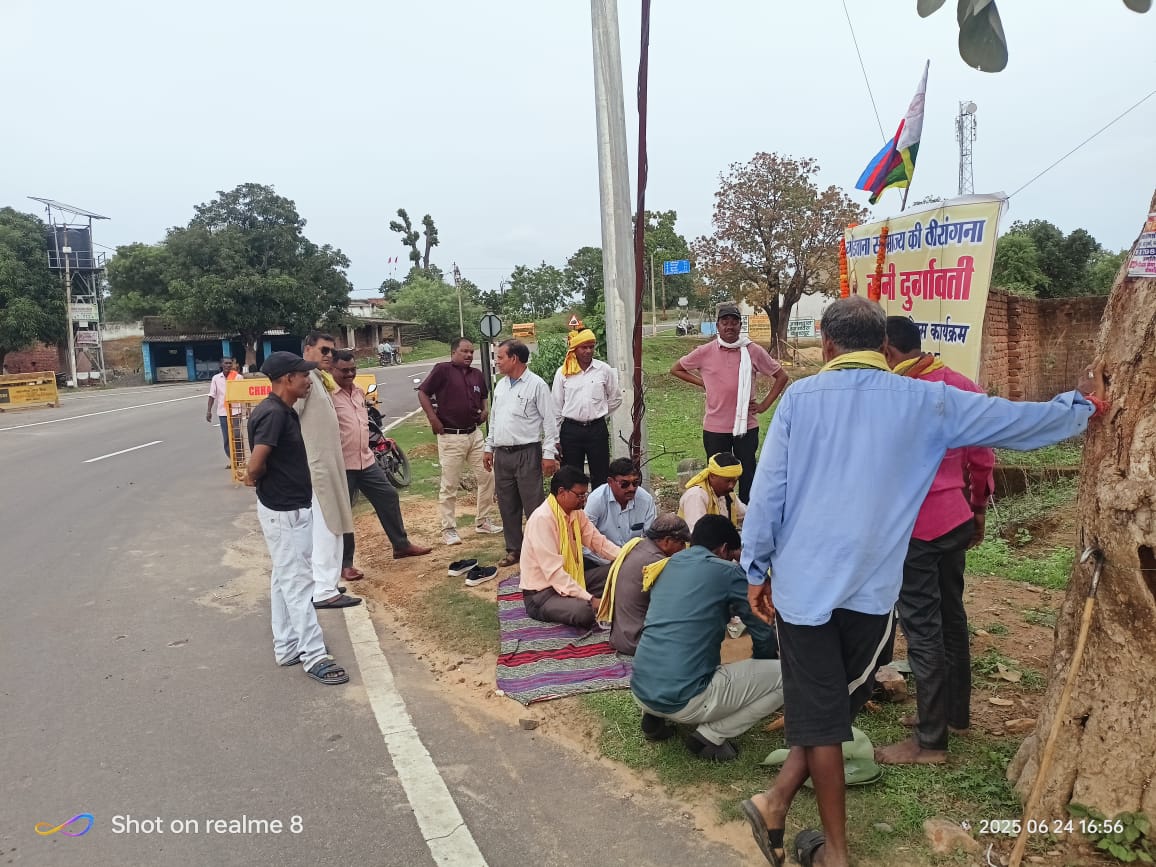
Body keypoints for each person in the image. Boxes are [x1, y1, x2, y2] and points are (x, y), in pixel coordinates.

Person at [739, 296, 1105, 867]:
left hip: (804, 590)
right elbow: (1012, 420)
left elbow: (767, 495)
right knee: (830, 712)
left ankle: (825, 844)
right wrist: (1080, 406)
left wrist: (755, 569)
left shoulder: (799, 401)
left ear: (828, 346)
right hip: (871, 592)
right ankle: (783, 808)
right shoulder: (928, 401)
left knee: (824, 718)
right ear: (883, 346)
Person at [872, 317, 996, 765]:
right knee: (951, 616)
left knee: (922, 627)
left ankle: (929, 741)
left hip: (917, 528)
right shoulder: (961, 386)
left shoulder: (894, 395)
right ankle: (952, 715)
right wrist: (978, 508)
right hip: (956, 517)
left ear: (886, 348)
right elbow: (983, 458)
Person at [631, 515, 785, 762]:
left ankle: (653, 718)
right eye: (734, 554)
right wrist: (764, 665)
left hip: (640, 687)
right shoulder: (727, 571)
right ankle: (711, 736)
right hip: (686, 700)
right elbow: (762, 630)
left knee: (676, 649)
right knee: (789, 677)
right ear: (724, 549)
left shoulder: (669, 564)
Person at [245, 351, 349, 686]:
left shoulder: (285, 411)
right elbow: (255, 465)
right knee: (298, 584)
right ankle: (313, 654)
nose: (308, 380)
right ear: (287, 379)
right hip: (283, 512)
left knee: (284, 578)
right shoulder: (273, 414)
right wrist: (256, 478)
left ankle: (287, 645)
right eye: (303, 375)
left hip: (293, 508)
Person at [671, 303, 789, 504]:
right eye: (725, 322)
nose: (729, 326)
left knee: (747, 470)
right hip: (715, 426)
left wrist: (764, 405)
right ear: (717, 326)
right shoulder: (705, 351)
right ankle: (721, 511)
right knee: (718, 472)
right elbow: (676, 369)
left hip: (746, 425)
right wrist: (704, 383)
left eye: (734, 322)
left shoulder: (752, 351)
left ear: (740, 325)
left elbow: (781, 376)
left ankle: (746, 512)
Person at [330, 351, 431, 577]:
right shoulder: (329, 397)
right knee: (344, 513)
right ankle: (345, 564)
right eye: (344, 370)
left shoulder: (357, 393)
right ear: (332, 370)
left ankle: (401, 545)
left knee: (388, 495)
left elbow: (365, 424)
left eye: (352, 369)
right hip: (342, 465)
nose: (349, 374)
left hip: (365, 460)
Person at [417, 337, 502, 546]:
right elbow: (423, 392)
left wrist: (484, 410)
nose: (468, 355)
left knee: (488, 476)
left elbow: (483, 395)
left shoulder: (477, 375)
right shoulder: (442, 370)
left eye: (471, 352)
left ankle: (482, 521)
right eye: (464, 351)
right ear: (453, 352)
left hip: (474, 435)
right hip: (450, 436)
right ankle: (449, 528)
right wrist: (433, 418)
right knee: (450, 485)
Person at [298, 331, 361, 610]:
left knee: (334, 525)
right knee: (326, 527)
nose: (328, 356)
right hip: (317, 468)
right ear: (308, 349)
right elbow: (290, 417)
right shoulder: (303, 379)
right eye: (323, 350)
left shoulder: (317, 378)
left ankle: (328, 582)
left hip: (330, 466)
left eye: (331, 352)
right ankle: (323, 589)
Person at [483, 339, 559, 568]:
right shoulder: (501, 385)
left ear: (514, 358)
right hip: (503, 455)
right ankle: (514, 549)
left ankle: (540, 550)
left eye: (500, 357)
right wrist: (489, 447)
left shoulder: (536, 385)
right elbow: (494, 419)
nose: (497, 362)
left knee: (533, 505)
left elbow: (550, 422)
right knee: (507, 505)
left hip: (528, 452)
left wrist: (549, 454)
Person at [519, 466, 620, 629]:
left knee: (619, 570)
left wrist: (626, 556)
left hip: (573, 579)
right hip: (543, 594)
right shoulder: (542, 520)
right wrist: (590, 599)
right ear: (561, 492)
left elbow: (598, 542)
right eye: (579, 495)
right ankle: (592, 602)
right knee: (584, 612)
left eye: (585, 494)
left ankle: (594, 600)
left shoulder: (576, 513)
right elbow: (554, 573)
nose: (584, 500)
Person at [596, 513, 690, 656]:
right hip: (638, 641)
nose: (684, 549)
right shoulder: (657, 563)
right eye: (682, 543)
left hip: (620, 637)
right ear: (667, 541)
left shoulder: (637, 545)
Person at [551, 328, 621, 488]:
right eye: (584, 347)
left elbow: (615, 398)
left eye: (591, 346)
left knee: (601, 474)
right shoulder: (563, 372)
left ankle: (599, 510)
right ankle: (575, 511)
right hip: (570, 430)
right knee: (570, 475)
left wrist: (599, 412)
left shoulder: (604, 370)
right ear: (574, 349)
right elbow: (555, 406)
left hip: (597, 429)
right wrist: (555, 438)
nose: (588, 351)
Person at [582, 458, 656, 567]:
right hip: (602, 562)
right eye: (624, 484)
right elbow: (583, 541)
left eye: (636, 483)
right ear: (610, 482)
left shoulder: (646, 499)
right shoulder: (597, 500)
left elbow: (651, 538)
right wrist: (610, 561)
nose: (632, 488)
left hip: (635, 561)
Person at [679, 453, 745, 531]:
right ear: (712, 476)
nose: (731, 486)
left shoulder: (729, 494)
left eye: (735, 481)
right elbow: (698, 533)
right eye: (727, 481)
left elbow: (745, 517)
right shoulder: (696, 495)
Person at [206, 357, 243, 462]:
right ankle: (233, 460)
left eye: (230, 363)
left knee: (236, 436)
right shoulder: (216, 378)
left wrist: (247, 410)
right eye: (226, 363)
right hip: (223, 412)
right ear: (221, 365)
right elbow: (212, 395)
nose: (228, 365)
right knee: (227, 438)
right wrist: (209, 411)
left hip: (236, 411)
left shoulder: (238, 377)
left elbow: (243, 393)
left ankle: (240, 459)